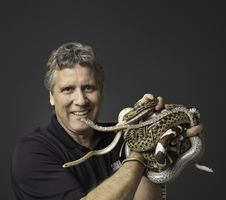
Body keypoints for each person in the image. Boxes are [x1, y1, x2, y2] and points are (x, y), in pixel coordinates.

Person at [11, 42, 203, 200]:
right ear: (52, 96)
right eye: (68, 89)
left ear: (101, 93)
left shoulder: (122, 136)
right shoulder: (31, 152)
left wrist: (159, 134)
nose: (80, 101)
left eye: (88, 88)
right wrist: (140, 151)